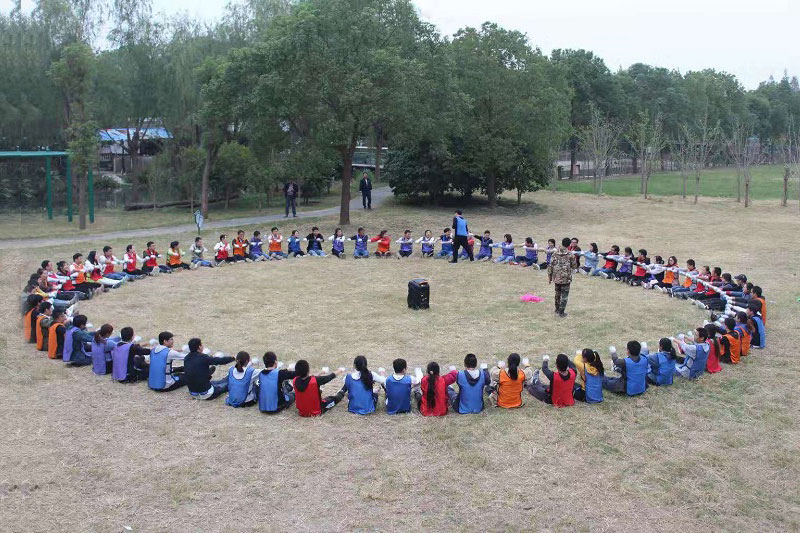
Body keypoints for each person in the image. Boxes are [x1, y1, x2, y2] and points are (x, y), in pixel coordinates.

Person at [548, 238, 578, 317]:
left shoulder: (555, 253)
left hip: (556, 278)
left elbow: (550, 265)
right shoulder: (570, 254)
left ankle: (557, 309)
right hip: (566, 278)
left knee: (557, 294)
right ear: (569, 245)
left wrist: (549, 277)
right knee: (564, 296)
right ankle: (561, 312)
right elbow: (574, 266)